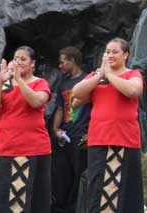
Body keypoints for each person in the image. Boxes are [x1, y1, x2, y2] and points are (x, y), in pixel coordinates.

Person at [72, 38, 144, 212]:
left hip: (123, 140)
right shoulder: (97, 77)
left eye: (115, 52)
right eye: (107, 52)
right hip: (98, 139)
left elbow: (134, 90)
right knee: (97, 188)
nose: (110, 55)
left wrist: (110, 75)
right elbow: (76, 96)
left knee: (122, 190)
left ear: (125, 55)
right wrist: (99, 76)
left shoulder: (132, 74)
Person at [0, 46, 52, 213]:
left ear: (33, 63)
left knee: (29, 200)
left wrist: (19, 81)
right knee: (3, 201)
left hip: (32, 149)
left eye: (23, 59)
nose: (18, 62)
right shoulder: (5, 86)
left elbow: (36, 102)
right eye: (16, 58)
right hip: (5, 148)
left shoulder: (40, 83)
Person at [51, 46, 91, 213]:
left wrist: (91, 132)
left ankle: (77, 207)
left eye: (62, 62)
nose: (60, 66)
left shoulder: (87, 80)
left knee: (79, 172)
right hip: (65, 134)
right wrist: (55, 128)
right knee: (61, 173)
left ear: (72, 61)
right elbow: (60, 108)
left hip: (81, 134)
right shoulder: (63, 82)